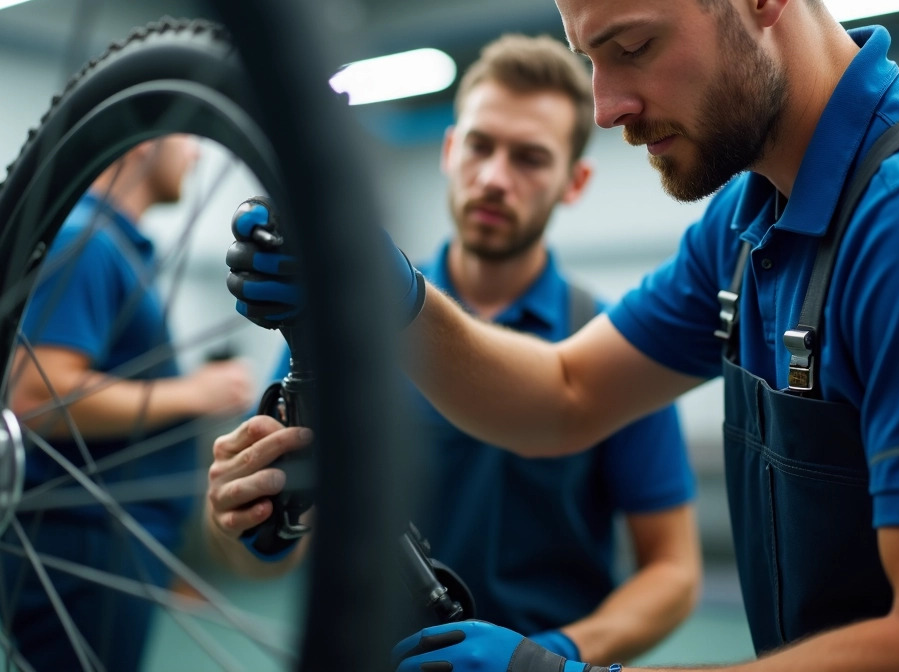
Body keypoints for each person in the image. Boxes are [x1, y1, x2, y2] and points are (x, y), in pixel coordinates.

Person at [227, 0, 899, 670]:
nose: (606, 107)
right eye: (590, 59)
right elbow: (564, 395)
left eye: (631, 48)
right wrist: (393, 294)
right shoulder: (750, 223)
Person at [208, 33, 703, 665]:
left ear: (574, 182)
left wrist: (545, 658)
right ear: (449, 150)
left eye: (529, 158)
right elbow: (261, 549)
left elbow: (673, 571)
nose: (495, 178)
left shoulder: (610, 345)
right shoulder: (353, 324)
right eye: (480, 146)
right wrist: (244, 519)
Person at [0, 135, 255, 672]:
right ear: (141, 140)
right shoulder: (85, 242)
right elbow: (39, 396)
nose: (198, 154)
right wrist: (194, 392)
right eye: (186, 138)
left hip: (107, 540)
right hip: (79, 543)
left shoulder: (110, 244)